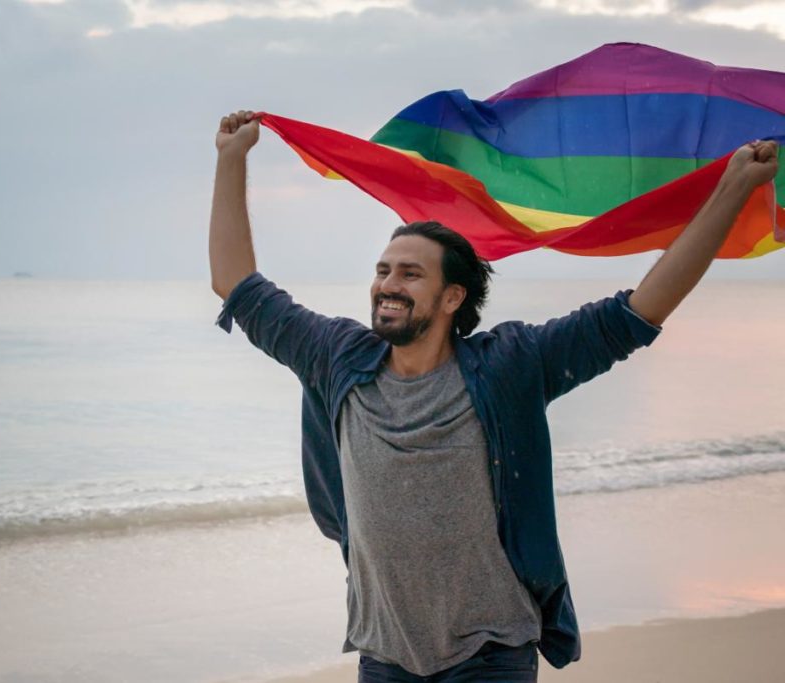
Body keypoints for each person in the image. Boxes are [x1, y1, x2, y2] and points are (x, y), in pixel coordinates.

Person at [209, 109, 779, 682]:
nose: (387, 284)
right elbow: (237, 285)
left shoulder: (509, 366)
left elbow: (637, 312)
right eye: (383, 270)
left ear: (452, 297)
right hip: (384, 656)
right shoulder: (337, 357)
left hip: (491, 655)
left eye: (410, 274)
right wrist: (232, 159)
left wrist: (732, 189)